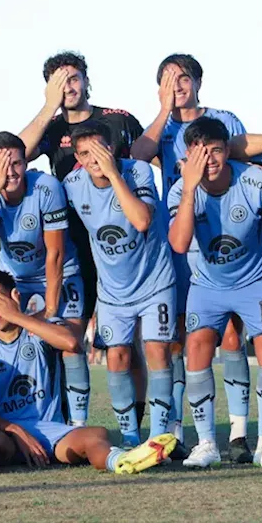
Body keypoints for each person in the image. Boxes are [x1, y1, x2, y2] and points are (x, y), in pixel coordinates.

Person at [131, 54, 262, 444]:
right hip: (187, 235)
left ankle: (241, 434)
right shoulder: (162, 128)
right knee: (183, 341)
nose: (177, 86)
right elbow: (137, 155)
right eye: (168, 81)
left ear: (199, 82)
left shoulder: (225, 122)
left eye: (183, 78)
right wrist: (164, 109)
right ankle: (178, 434)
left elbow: (240, 150)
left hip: (237, 236)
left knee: (236, 337)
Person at [167, 118, 262, 469]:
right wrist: (191, 189)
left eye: (216, 151)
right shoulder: (181, 191)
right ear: (188, 157)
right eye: (199, 154)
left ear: (227, 151)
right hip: (208, 284)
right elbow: (178, 243)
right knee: (196, 346)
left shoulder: (257, 181)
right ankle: (206, 443)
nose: (209, 161)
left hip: (259, 278)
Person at [0, 270, 178, 473]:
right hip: (6, 435)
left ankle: (121, 462)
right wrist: (15, 430)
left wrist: (16, 316)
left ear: (15, 296)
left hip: (50, 433)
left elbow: (72, 343)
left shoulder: (39, 329)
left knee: (96, 435)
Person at [0, 132, 89, 426]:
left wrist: (50, 312)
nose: (11, 172)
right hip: (14, 275)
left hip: (59, 272)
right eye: (3, 165)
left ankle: (77, 423)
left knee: (70, 345)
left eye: (17, 163)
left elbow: (54, 254)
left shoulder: (46, 187)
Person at [63, 122, 177, 447]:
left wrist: (114, 176)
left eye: (99, 150)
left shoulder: (138, 172)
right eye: (85, 153)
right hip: (112, 292)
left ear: (112, 148)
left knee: (156, 351)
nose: (93, 159)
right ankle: (129, 437)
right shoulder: (71, 185)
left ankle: (159, 437)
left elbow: (141, 220)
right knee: (116, 359)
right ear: (78, 158)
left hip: (155, 281)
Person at [17, 52, 143, 335]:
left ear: (86, 80)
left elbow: (150, 161)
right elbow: (16, 155)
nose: (68, 88)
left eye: (73, 78)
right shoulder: (51, 128)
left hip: (120, 238)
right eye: (59, 83)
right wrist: (49, 106)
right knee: (72, 332)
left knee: (126, 339)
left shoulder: (118, 120)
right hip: (74, 241)